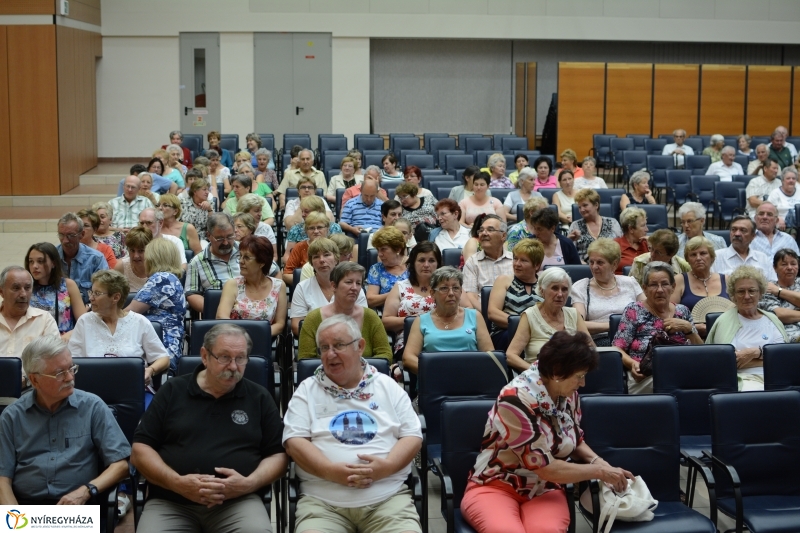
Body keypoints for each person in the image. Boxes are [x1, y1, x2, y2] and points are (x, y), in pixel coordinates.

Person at [462, 331, 633, 533]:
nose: (583, 383)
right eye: (579, 376)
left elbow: (575, 439)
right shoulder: (515, 399)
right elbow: (544, 467)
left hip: (544, 489)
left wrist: (600, 463)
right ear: (556, 372)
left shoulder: (567, 393)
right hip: (495, 485)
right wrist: (600, 472)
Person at [132, 324, 287, 533]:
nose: (233, 366)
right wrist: (177, 482)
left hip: (237, 502)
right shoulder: (172, 391)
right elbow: (140, 450)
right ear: (204, 356)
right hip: (172, 501)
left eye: (240, 358)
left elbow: (278, 455)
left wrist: (248, 483)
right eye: (224, 357)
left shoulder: (259, 397)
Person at [284, 315, 422, 533]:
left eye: (339, 345)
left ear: (360, 346)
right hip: (323, 504)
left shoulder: (387, 386)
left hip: (387, 500)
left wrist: (386, 468)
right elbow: (294, 442)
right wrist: (330, 471)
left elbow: (412, 435)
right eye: (324, 347)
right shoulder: (307, 390)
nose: (330, 354)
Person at [0, 336, 130, 517]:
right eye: (59, 373)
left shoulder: (92, 407)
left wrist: (86, 491)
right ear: (34, 380)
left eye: (71, 368)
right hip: (25, 509)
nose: (70, 377)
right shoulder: (12, 416)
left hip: (78, 506)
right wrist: (15, 521)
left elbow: (121, 465)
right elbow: (2, 479)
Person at [68, 270, 170, 406]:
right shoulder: (84, 321)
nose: (91, 298)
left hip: (132, 393)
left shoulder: (139, 322)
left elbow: (164, 358)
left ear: (115, 298)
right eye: (91, 292)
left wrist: (150, 370)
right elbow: (72, 361)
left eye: (97, 294)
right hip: (92, 393)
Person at [613, 262, 702, 394]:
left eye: (665, 284)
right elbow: (617, 348)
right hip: (646, 376)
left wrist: (688, 329)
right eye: (654, 285)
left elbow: (701, 351)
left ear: (673, 287)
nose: (660, 289)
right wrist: (632, 364)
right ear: (645, 288)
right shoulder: (634, 310)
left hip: (682, 372)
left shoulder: (682, 311)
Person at [706, 266, 787, 391]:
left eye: (752, 290)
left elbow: (784, 358)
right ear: (733, 295)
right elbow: (726, 363)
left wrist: (757, 352)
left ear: (760, 293)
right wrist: (769, 359)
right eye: (741, 291)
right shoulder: (724, 322)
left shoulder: (772, 319)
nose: (747, 296)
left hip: (779, 377)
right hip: (744, 379)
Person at [402, 266, 494, 375]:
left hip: (470, 379)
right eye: (444, 288)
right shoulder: (421, 321)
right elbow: (408, 358)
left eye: (455, 288)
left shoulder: (475, 316)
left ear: (461, 291)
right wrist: (436, 372)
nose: (451, 293)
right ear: (432, 293)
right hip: (434, 380)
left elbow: (490, 355)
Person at [298, 262, 392, 362]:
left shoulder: (370, 316)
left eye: (358, 283)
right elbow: (305, 360)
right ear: (334, 286)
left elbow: (385, 354)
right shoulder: (313, 318)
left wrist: (357, 368)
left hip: (363, 376)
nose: (354, 288)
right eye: (349, 282)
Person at [505, 267, 593, 372]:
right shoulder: (530, 315)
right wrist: (535, 371)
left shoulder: (574, 314)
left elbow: (591, 348)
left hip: (570, 376)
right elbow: (510, 355)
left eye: (564, 289)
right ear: (542, 291)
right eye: (554, 288)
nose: (560, 294)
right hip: (539, 378)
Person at [125, 239, 186, 370]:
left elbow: (129, 313)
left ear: (154, 259)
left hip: (160, 349)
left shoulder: (161, 279)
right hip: (161, 346)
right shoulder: (170, 278)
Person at [572, 239, 644, 346]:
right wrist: (614, 325)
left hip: (633, 338)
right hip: (600, 340)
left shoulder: (630, 283)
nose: (594, 267)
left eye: (600, 262)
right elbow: (577, 323)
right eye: (591, 262)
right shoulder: (581, 287)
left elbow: (648, 313)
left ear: (614, 264)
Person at [290, 238, 368, 335]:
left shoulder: (353, 285)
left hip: (350, 342)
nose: (322, 260)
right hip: (315, 344)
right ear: (311, 263)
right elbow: (296, 326)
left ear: (336, 259)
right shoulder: (302, 287)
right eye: (316, 257)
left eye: (327, 255)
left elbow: (363, 320)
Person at [217, 235, 287, 339]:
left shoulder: (278, 286)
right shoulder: (232, 284)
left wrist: (257, 335)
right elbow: (221, 317)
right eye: (240, 256)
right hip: (233, 339)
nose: (240, 261)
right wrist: (243, 338)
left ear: (261, 263)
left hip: (262, 340)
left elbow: (279, 325)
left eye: (246, 257)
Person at [0, 267, 60, 382]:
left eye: (27, 288)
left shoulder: (44, 320)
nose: (23, 294)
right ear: (2, 292)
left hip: (30, 390)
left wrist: (27, 381)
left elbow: (55, 360)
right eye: (16, 288)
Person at [382, 242, 440, 356]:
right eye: (421, 260)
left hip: (441, 339)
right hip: (407, 343)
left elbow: (467, 310)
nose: (426, 265)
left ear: (438, 263)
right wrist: (416, 320)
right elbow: (386, 321)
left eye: (432, 260)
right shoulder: (400, 286)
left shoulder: (446, 286)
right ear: (413, 263)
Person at [487, 239, 544, 350]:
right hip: (506, 332)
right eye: (515, 259)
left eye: (523, 260)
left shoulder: (544, 285)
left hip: (538, 334)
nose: (517, 264)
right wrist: (522, 324)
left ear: (536, 265)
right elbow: (492, 313)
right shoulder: (504, 280)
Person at [26, 243, 86, 341]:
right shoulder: (26, 287)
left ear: (53, 263)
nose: (35, 266)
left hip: (63, 341)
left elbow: (84, 322)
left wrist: (71, 334)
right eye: (31, 262)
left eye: (40, 261)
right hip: (33, 343)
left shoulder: (68, 285)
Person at [185, 213, 241, 314]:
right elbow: (192, 294)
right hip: (218, 316)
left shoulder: (248, 250)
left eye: (229, 237)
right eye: (219, 238)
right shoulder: (197, 262)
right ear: (209, 236)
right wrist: (215, 310)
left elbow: (274, 274)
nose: (225, 243)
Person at [671, 237, 728, 335]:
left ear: (712, 257)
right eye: (693, 254)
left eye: (703, 253)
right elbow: (669, 315)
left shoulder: (727, 280)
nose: (698, 258)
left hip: (725, 334)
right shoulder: (679, 280)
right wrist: (693, 327)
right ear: (687, 259)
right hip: (690, 337)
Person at [462, 215, 513, 309]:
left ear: (503, 236)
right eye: (481, 230)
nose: (484, 233)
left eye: (490, 230)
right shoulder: (472, 262)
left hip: (512, 315)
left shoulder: (515, 261)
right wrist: (488, 315)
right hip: (482, 314)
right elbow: (471, 296)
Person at [56, 213, 109, 304]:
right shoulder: (51, 257)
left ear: (82, 234)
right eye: (61, 235)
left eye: (71, 235)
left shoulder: (96, 259)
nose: (65, 240)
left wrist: (88, 308)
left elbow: (104, 292)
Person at [714, 215, 778, 281]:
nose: (737, 234)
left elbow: (773, 284)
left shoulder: (762, 258)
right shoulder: (716, 256)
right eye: (734, 229)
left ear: (753, 236)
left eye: (743, 230)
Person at [568, 188, 623, 263]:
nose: (582, 210)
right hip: (583, 268)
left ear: (596, 205)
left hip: (609, 266)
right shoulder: (575, 225)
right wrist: (569, 240)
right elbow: (570, 252)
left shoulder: (612, 223)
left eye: (585, 205)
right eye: (579, 207)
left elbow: (620, 247)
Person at [285, 196, 344, 264]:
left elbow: (341, 252)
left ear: (318, 211)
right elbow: (287, 256)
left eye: (306, 212)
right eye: (302, 211)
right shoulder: (295, 229)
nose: (303, 215)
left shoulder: (335, 228)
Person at [760, 249, 800, 343]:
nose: (789, 267)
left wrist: (778, 291)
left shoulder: (775, 289)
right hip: (786, 335)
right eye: (784, 264)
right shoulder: (768, 287)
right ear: (775, 267)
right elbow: (780, 315)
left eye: (793, 264)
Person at [366, 226, 409, 308]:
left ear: (398, 249)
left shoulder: (414, 265)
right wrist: (397, 293)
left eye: (383, 249)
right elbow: (370, 300)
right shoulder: (376, 269)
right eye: (378, 250)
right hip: (385, 315)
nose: (379, 254)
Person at [283, 212, 331, 285]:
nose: (316, 231)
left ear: (327, 229)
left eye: (320, 227)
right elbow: (286, 275)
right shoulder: (299, 247)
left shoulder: (334, 246)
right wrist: (307, 282)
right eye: (311, 228)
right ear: (306, 231)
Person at [114, 226, 153, 293]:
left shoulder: (158, 268)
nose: (135, 256)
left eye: (141, 251)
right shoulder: (121, 267)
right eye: (132, 250)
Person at [614, 207, 649, 274]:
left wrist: (653, 247)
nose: (647, 229)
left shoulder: (648, 244)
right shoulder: (614, 246)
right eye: (643, 226)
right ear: (631, 229)